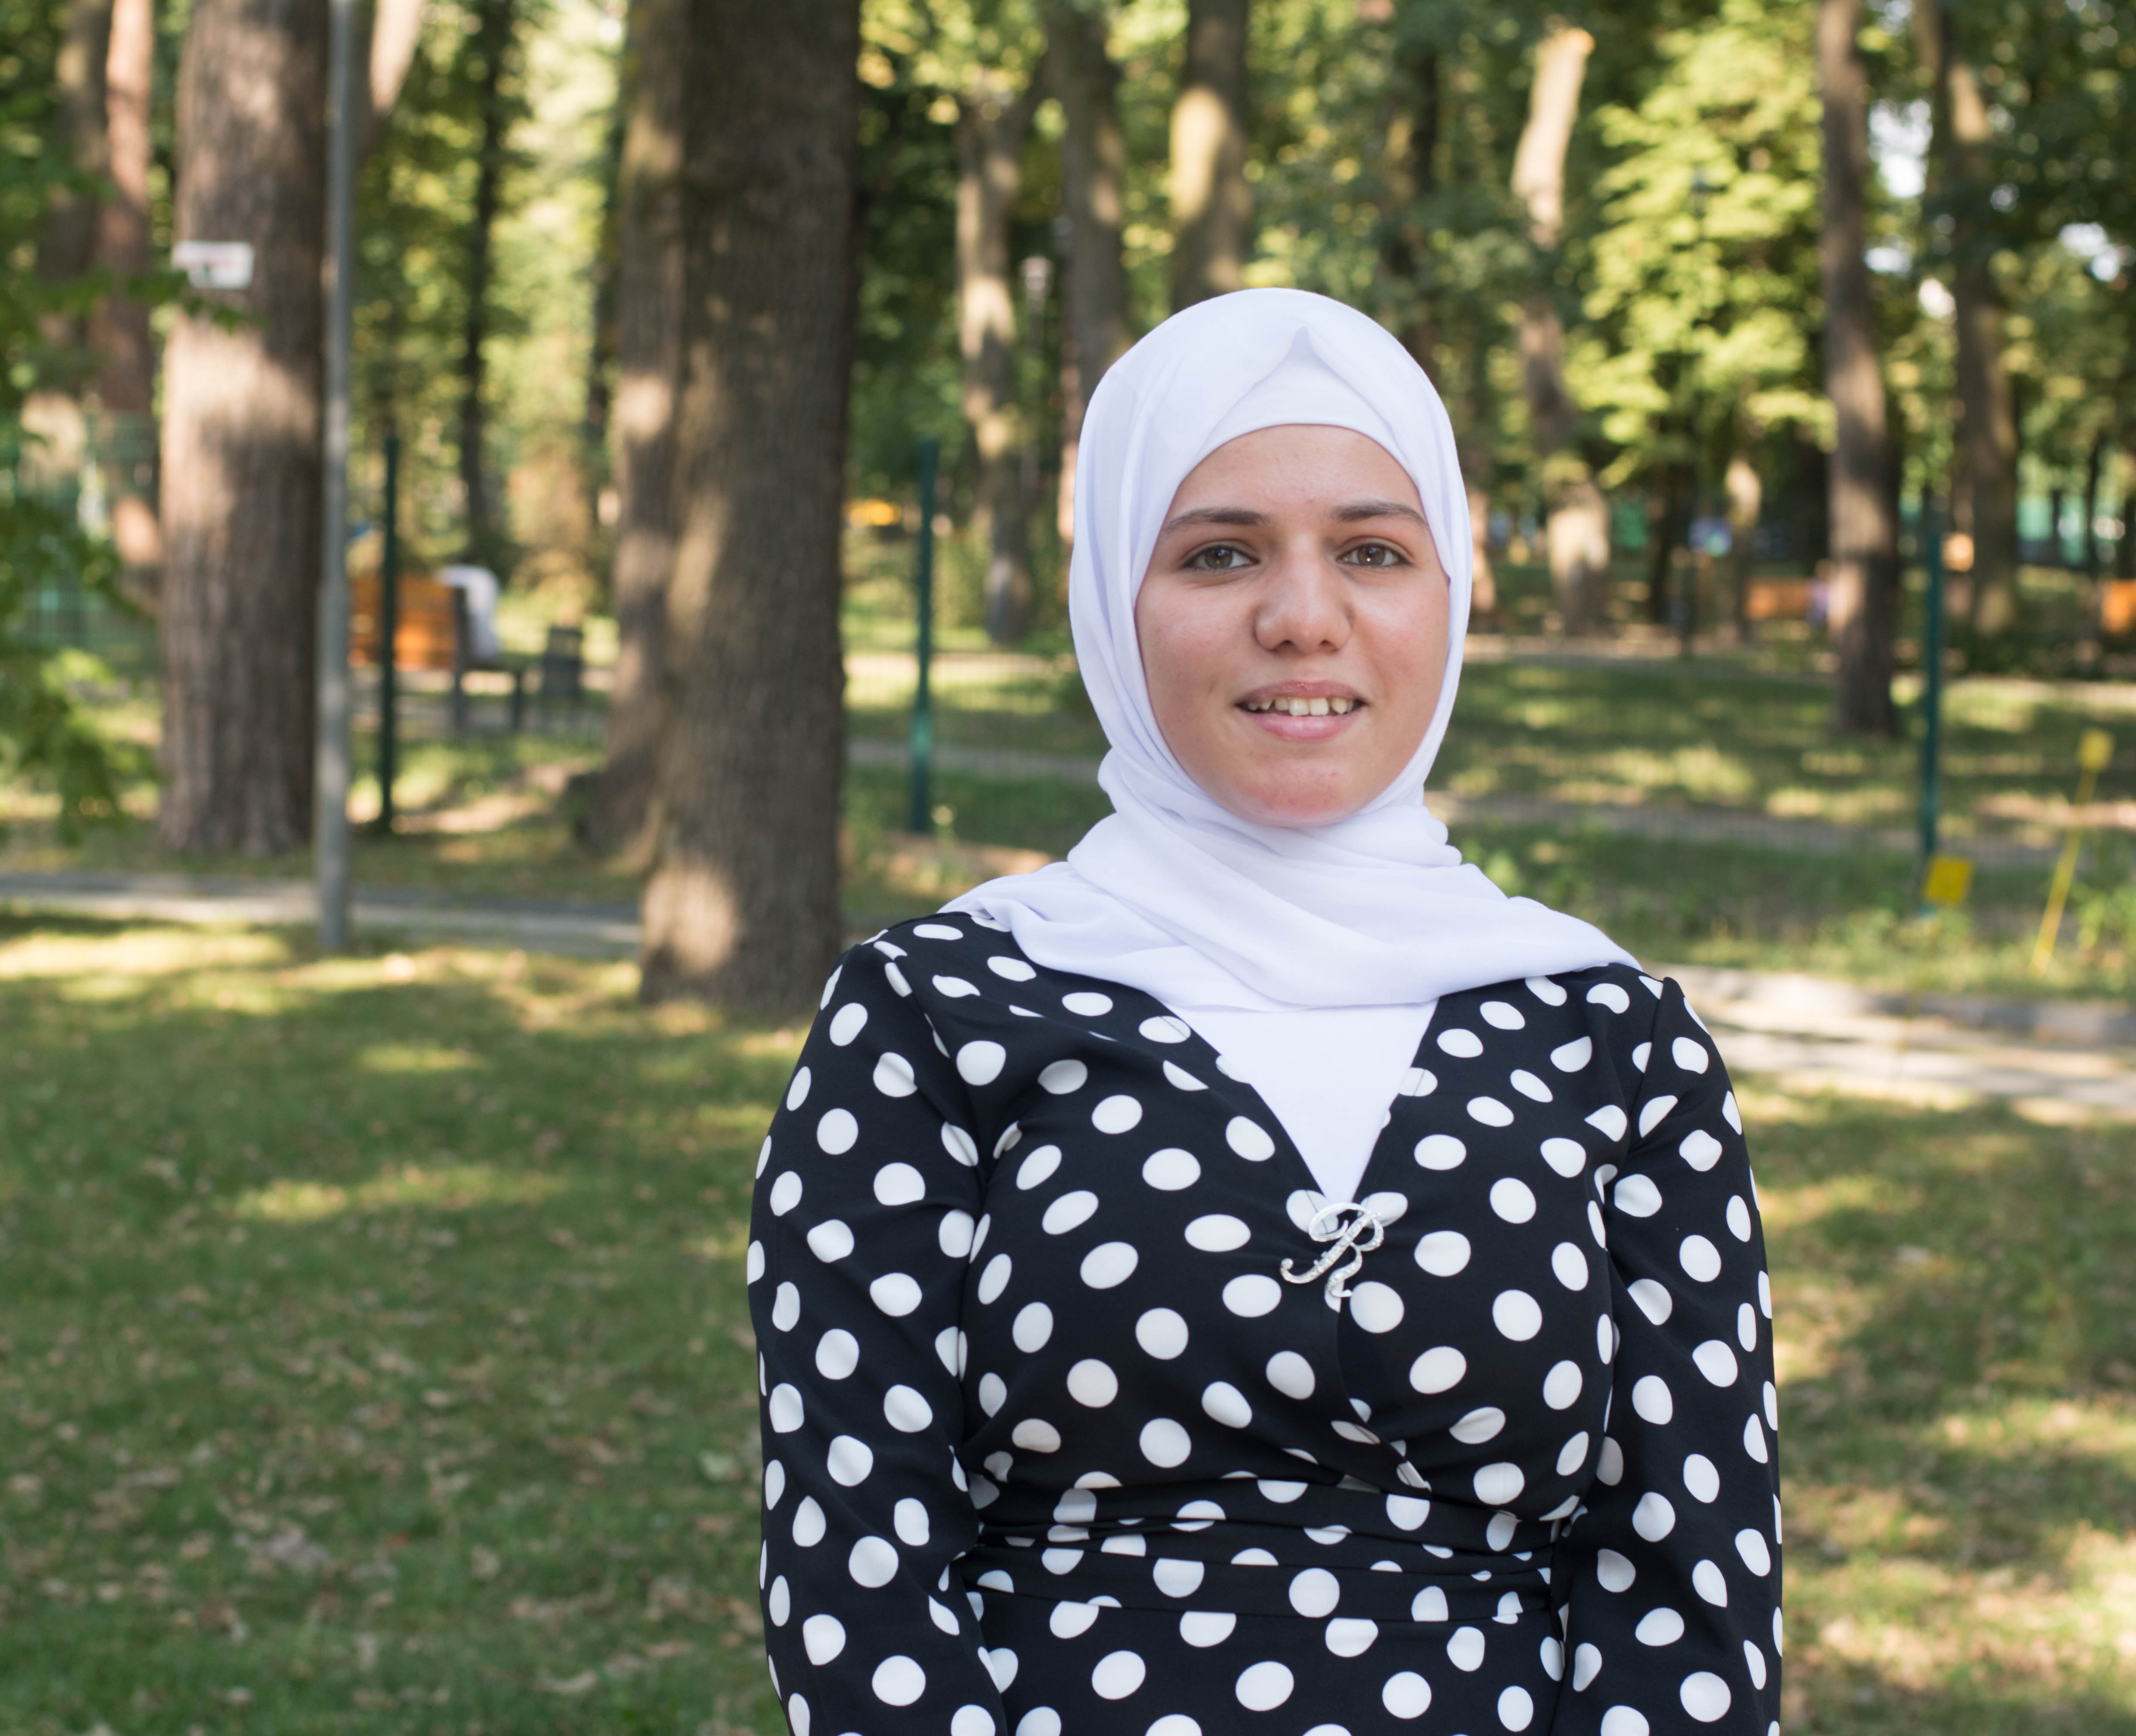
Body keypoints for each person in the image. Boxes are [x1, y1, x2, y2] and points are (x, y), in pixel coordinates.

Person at [747, 289, 1780, 1736]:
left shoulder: (1614, 1045)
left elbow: (1690, 1595)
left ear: (1452, 591)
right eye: (1220, 553)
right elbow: (861, 1577)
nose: (1303, 619)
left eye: (1373, 552)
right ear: (1116, 598)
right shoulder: (936, 1018)